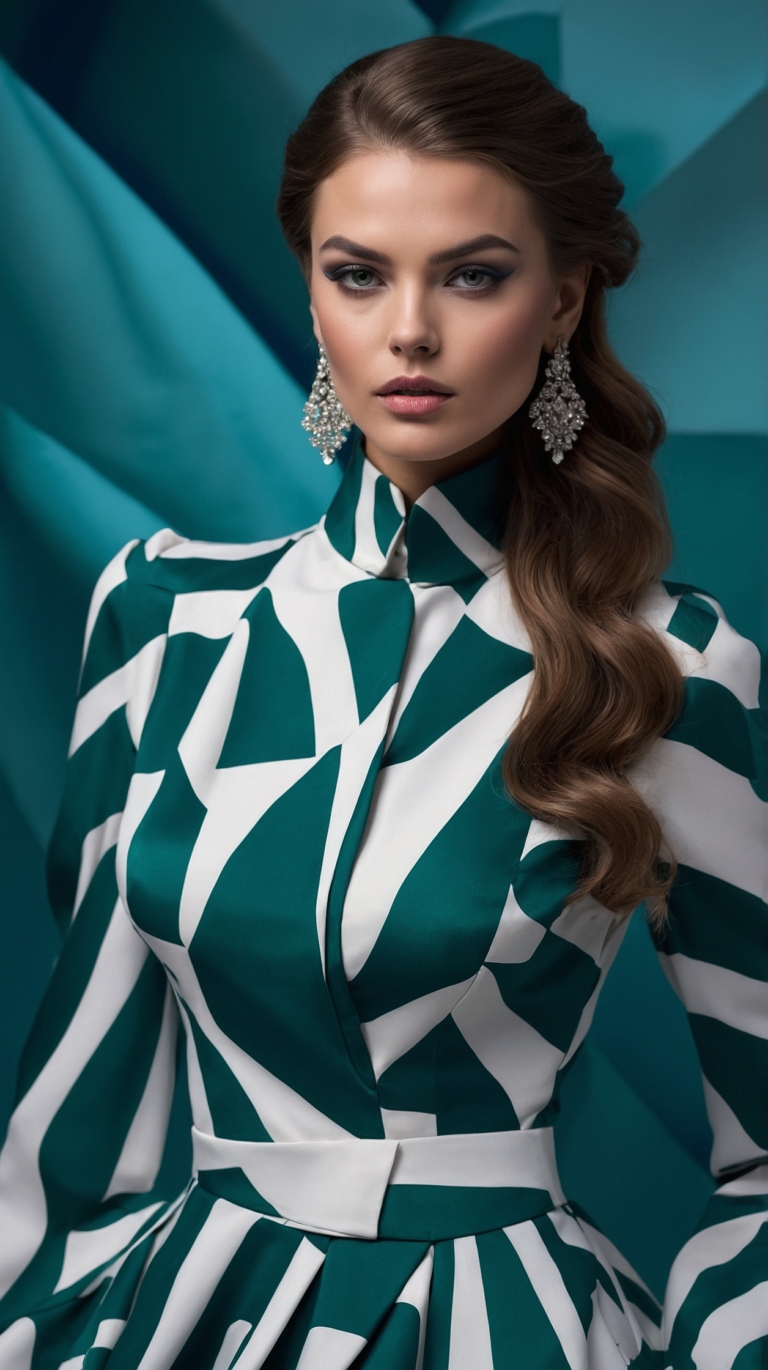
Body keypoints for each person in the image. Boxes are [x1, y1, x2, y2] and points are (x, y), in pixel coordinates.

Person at [0, 35, 765, 1370]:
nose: (409, 331)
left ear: (566, 300)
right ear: (312, 296)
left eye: (473, 274)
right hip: (180, 1324)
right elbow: (82, 1104)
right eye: (359, 275)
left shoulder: (674, 668)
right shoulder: (164, 621)